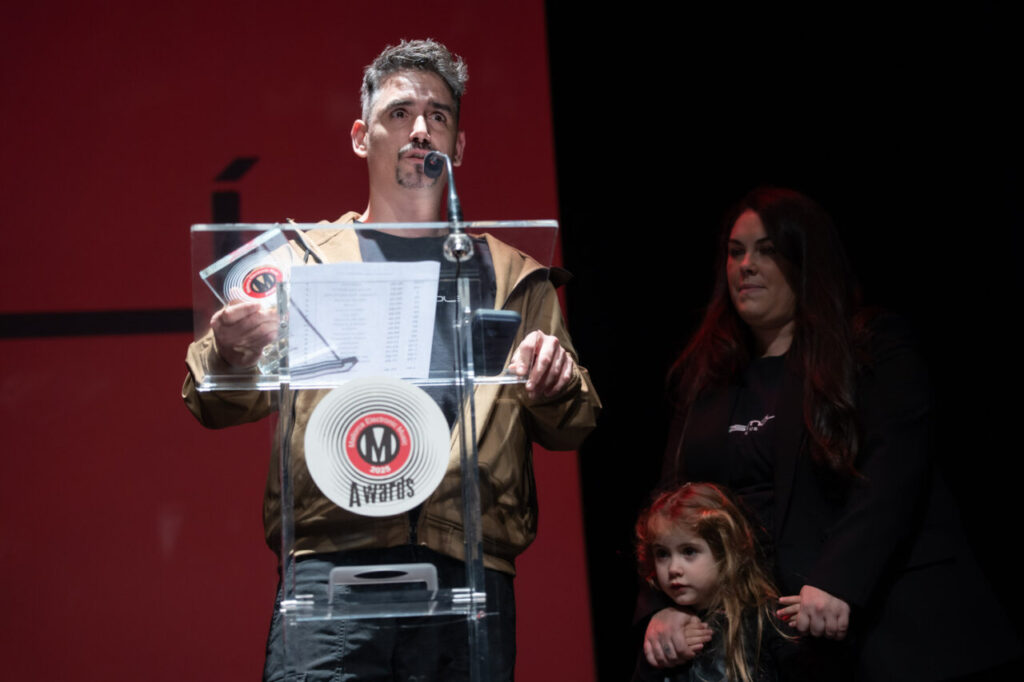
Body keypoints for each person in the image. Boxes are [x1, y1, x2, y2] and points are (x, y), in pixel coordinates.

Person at [182, 39, 600, 681]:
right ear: (361, 137)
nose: (420, 130)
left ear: (458, 145)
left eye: (438, 116)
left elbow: (575, 424)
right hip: (331, 567)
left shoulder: (515, 274)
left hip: (469, 566)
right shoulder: (301, 263)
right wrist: (232, 353)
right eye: (399, 113)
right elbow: (210, 401)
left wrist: (555, 382)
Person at [642, 187, 1020, 680]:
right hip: (763, 644)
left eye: (767, 250)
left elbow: (893, 473)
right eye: (736, 252)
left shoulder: (868, 347)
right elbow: (671, 502)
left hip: (879, 625)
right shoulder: (708, 377)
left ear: (806, 260)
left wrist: (839, 580)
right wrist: (660, 607)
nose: (746, 266)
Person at [633, 482, 794, 682]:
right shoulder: (666, 632)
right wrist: (658, 659)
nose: (673, 569)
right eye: (662, 554)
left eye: (689, 551)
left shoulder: (767, 621)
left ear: (725, 552)